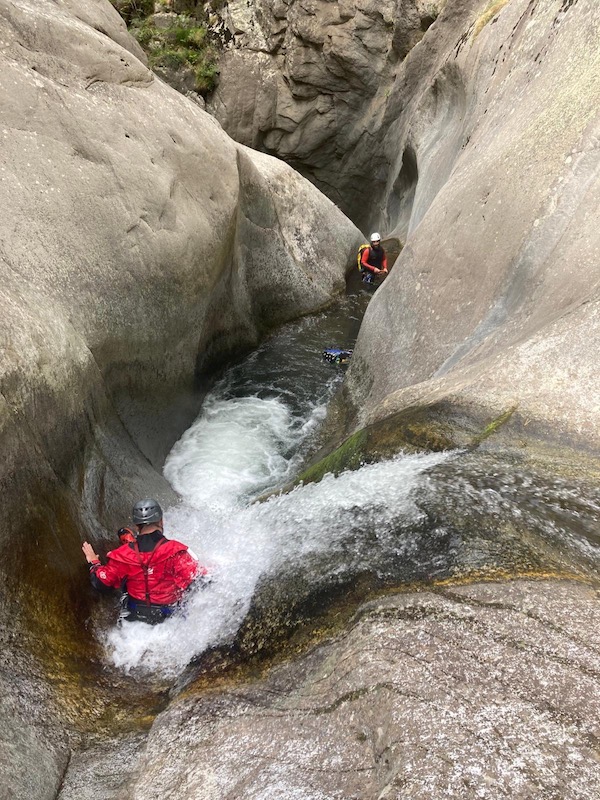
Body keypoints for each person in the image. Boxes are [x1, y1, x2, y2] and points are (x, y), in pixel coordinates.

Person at [82, 498, 207, 624]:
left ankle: (131, 541)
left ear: (137, 525)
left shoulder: (121, 554)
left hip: (134, 619)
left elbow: (101, 583)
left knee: (127, 576)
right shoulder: (176, 551)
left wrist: (94, 563)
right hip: (170, 620)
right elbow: (199, 582)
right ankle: (131, 540)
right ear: (161, 521)